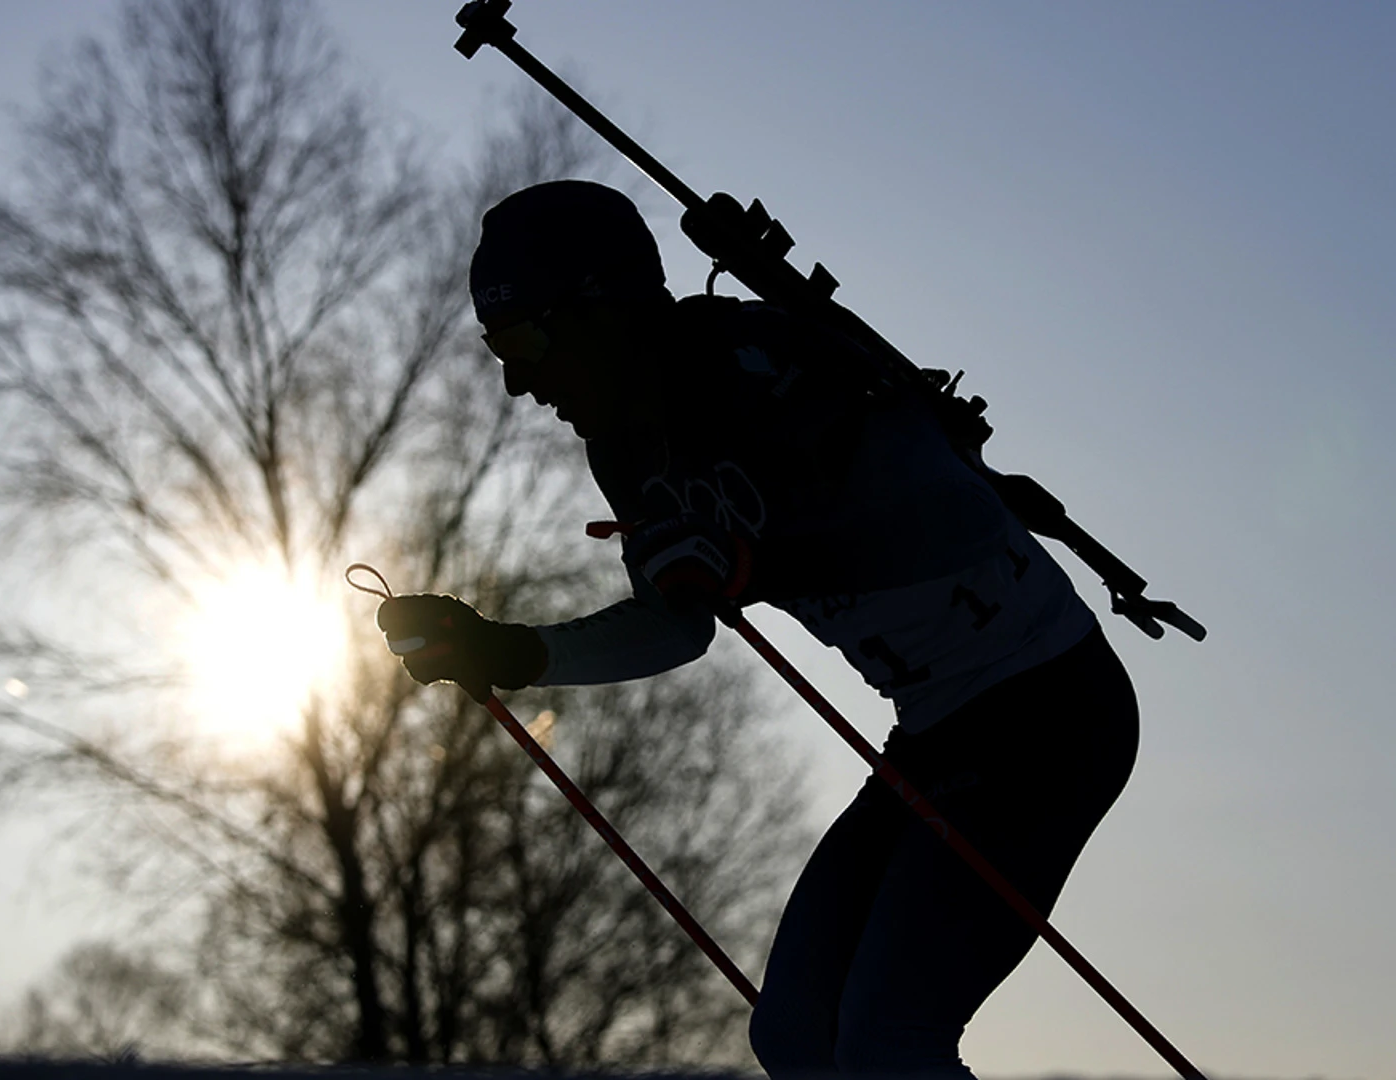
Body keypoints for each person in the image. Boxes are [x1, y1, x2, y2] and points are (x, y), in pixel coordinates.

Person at [376, 179, 1140, 1078]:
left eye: (525, 337)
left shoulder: (765, 363)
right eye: (495, 346)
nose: (516, 380)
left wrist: (762, 557)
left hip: (1049, 706)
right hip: (937, 732)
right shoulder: (625, 448)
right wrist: (513, 651)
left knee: (890, 1043)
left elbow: (955, 514)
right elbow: (680, 623)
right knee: (795, 1038)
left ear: (604, 307)